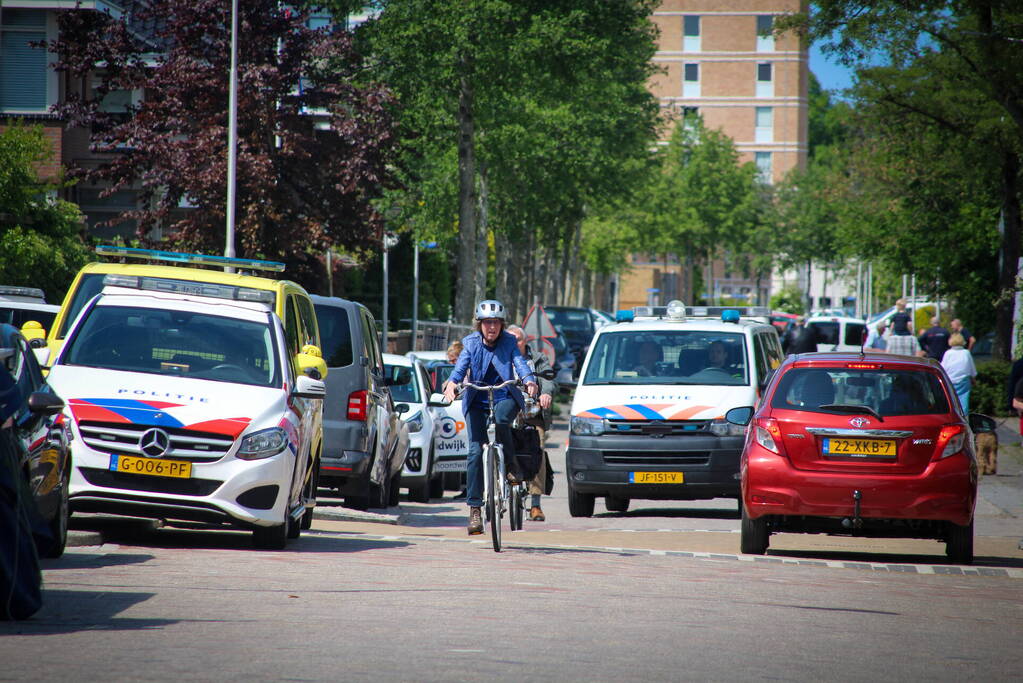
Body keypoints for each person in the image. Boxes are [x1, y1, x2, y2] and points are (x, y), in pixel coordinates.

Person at [443, 300, 538, 535]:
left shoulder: (509, 341)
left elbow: (518, 362)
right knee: (475, 450)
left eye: (495, 322)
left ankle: (511, 466)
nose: (492, 327)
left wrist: (528, 380)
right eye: (487, 323)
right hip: (478, 400)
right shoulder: (471, 343)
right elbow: (461, 366)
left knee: (503, 421)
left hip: (504, 395)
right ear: (480, 325)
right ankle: (475, 509)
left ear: (501, 324)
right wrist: (453, 383)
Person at [507, 325, 556, 522]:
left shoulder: (538, 359)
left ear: (525, 341)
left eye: (517, 339)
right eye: (509, 339)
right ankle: (493, 493)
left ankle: (535, 505)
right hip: (507, 414)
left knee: (538, 451)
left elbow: (549, 379)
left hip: (532, 414)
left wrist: (546, 393)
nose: (513, 342)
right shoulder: (499, 357)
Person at [941, 333, 977, 412]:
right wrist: (973, 379)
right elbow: (971, 369)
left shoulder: (948, 353)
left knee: (951, 401)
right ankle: (964, 418)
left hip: (950, 381)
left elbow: (943, 368)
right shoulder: (966, 353)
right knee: (963, 401)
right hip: (963, 381)